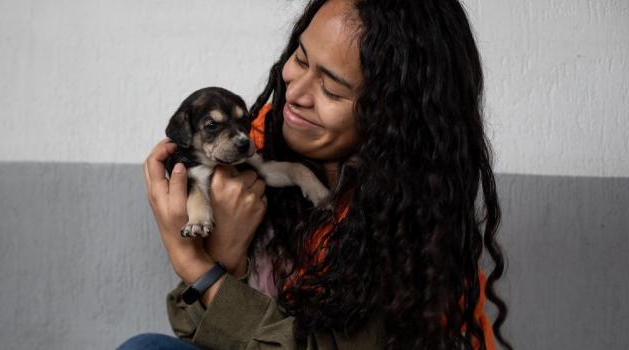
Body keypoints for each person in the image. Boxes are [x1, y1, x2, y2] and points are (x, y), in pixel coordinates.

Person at [122, 0, 513, 349]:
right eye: (302, 58)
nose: (295, 93)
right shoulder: (257, 155)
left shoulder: (404, 227)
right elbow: (192, 329)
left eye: (331, 89)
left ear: (390, 116)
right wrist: (226, 257)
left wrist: (195, 264)